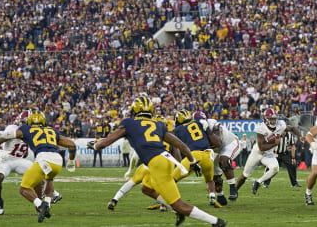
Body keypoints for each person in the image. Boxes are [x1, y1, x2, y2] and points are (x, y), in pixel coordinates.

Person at [89, 95, 226, 226]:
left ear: (134, 110)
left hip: (157, 163)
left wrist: (94, 145)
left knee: (179, 204)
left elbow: (105, 143)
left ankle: (215, 221)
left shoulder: (129, 123)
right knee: (146, 188)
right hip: (164, 160)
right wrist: (192, 161)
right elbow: (181, 145)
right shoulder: (158, 125)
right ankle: (176, 211)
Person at [0, 110, 76, 223]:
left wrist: (25, 153)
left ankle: (40, 205)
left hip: (19, 160)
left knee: (37, 178)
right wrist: (0, 151)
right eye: (22, 121)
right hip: (6, 159)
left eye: (25, 122)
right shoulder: (14, 129)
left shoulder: (29, 131)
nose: (23, 124)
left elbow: (26, 152)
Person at [235, 108, 292, 195]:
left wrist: (300, 135)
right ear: (266, 119)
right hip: (257, 153)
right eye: (271, 119)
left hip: (268, 154)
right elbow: (261, 147)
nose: (273, 121)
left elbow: (290, 128)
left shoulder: (281, 125)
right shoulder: (260, 128)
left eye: (275, 119)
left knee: (275, 169)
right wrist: (274, 143)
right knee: (245, 175)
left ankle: (257, 182)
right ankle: (234, 191)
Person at [192, 111, 240, 204]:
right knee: (215, 175)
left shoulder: (212, 124)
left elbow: (218, 143)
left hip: (230, 143)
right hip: (215, 151)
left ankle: (233, 188)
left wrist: (207, 131)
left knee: (224, 160)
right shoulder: (193, 129)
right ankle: (220, 196)